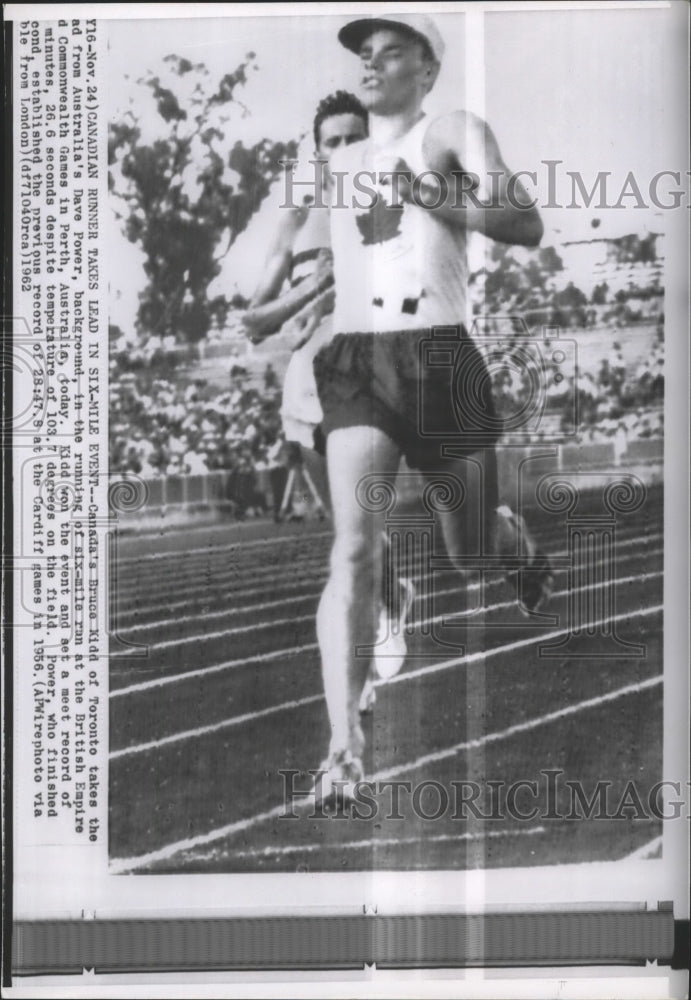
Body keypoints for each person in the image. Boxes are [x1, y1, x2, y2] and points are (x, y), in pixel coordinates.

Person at [310, 14, 554, 803]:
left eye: (390, 51)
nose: (372, 62)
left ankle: (512, 548)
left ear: (426, 68)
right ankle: (342, 748)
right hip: (361, 363)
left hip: (442, 357)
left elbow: (524, 222)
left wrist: (438, 200)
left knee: (469, 556)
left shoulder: (449, 129)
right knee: (352, 547)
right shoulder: (336, 162)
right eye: (363, 52)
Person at [242, 91, 414, 708]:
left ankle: (362, 662)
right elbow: (256, 319)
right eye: (330, 143)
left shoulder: (391, 196)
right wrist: (312, 288)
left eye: (353, 139)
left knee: (356, 535)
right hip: (305, 382)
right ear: (315, 152)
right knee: (347, 527)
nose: (342, 151)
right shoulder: (297, 213)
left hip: (367, 371)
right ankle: (394, 597)